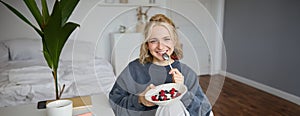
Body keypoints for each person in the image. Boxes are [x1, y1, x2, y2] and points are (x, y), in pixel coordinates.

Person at [109, 14, 212, 116]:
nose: (160, 46)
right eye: (153, 41)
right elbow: (114, 102)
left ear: (174, 41)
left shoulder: (187, 73)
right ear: (147, 44)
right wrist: (139, 100)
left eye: (166, 39)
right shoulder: (134, 69)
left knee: (172, 106)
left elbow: (204, 112)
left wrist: (182, 92)